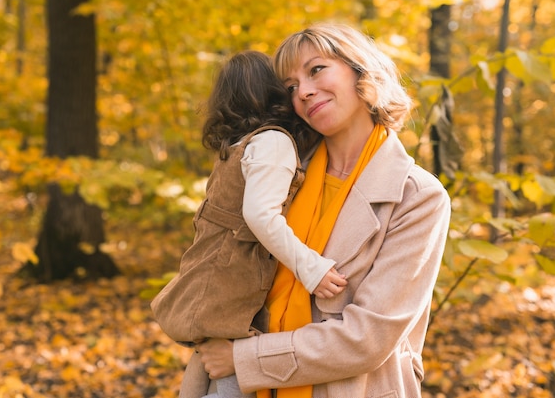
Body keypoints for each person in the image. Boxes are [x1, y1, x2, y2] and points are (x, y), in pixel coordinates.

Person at [189, 23, 452, 398]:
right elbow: (223, 267)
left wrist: (243, 358)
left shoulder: (419, 197)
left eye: (316, 70)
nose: (305, 92)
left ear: (360, 71)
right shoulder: (280, 170)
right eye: (291, 87)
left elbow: (367, 338)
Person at [150, 50, 348, 398]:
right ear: (274, 93)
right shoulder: (273, 142)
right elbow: (260, 215)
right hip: (233, 282)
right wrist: (310, 268)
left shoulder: (238, 146)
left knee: (210, 371)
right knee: (231, 378)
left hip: (211, 275)